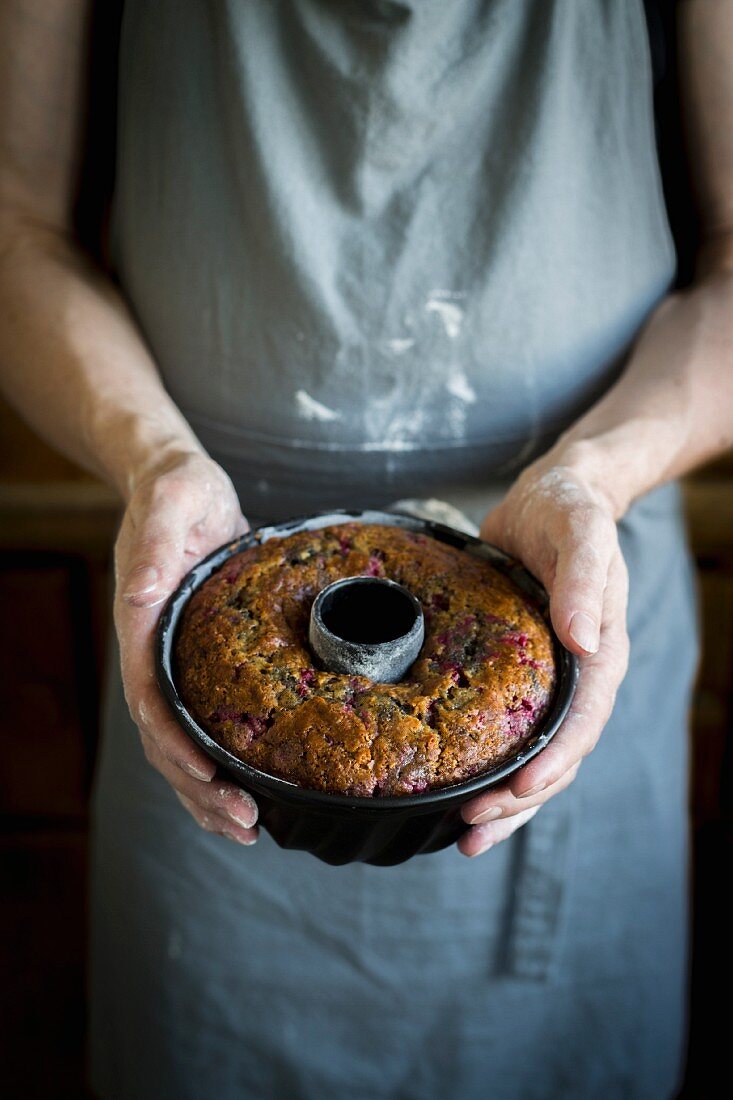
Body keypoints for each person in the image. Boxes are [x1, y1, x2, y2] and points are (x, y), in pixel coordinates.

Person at [1, 1, 732, 1096]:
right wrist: (155, 461)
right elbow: (14, 223)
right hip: (193, 584)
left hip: (567, 577)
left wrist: (594, 473)